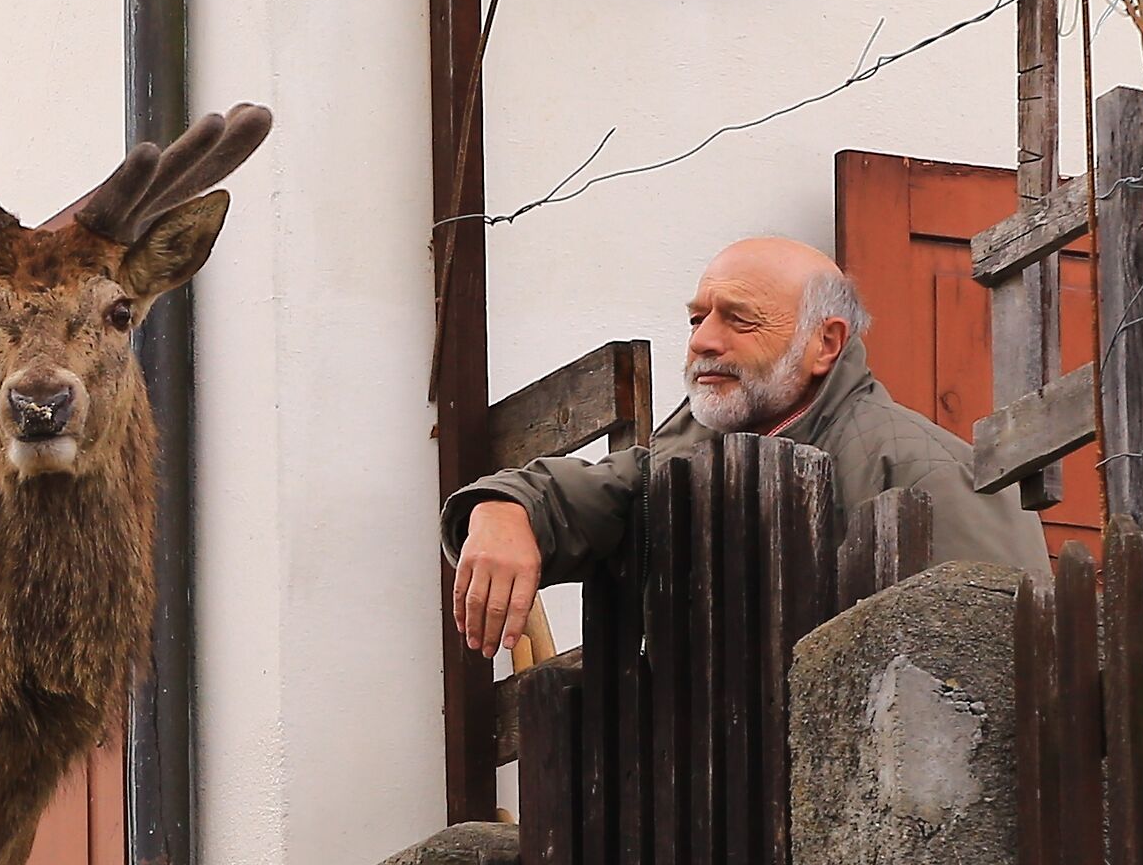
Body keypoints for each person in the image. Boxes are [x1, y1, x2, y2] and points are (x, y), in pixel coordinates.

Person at [442, 236, 1051, 657]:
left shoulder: (923, 469)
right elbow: (593, 491)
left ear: (825, 344)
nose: (704, 341)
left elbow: (993, 660)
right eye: (696, 319)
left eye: (739, 319)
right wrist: (501, 508)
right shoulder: (690, 458)